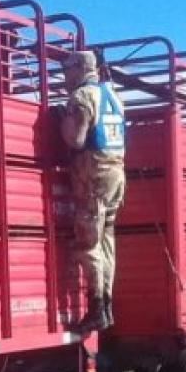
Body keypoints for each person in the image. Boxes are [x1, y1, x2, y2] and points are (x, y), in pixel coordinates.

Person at [55, 49, 126, 333]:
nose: (64, 75)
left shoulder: (83, 97)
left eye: (67, 69)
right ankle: (106, 305)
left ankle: (97, 307)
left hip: (93, 176)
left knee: (88, 243)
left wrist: (61, 120)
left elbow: (76, 139)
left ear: (80, 68)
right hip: (116, 173)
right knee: (107, 242)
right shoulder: (113, 97)